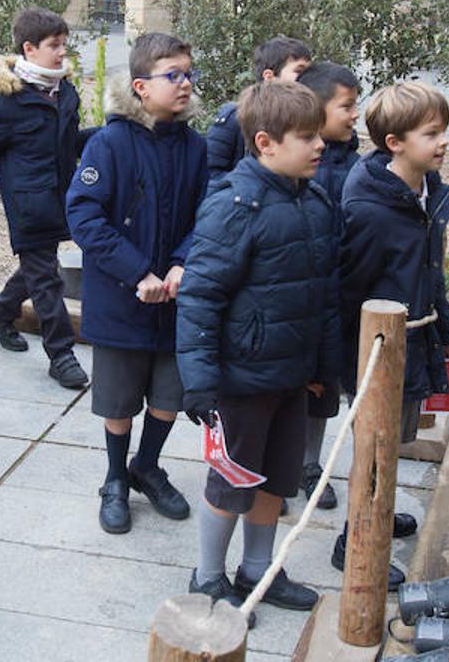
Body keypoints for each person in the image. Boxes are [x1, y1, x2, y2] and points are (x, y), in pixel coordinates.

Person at [177, 80, 340, 620]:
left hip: (291, 376)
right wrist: (199, 380)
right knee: (234, 480)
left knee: (277, 478)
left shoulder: (314, 200)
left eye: (320, 134)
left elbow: (321, 294)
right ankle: (207, 577)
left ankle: (259, 570)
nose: (320, 146)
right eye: (307, 137)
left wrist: (321, 367)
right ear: (266, 142)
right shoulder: (234, 206)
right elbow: (201, 297)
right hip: (240, 379)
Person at [66, 32, 208, 535]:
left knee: (169, 396)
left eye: (189, 73)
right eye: (174, 75)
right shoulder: (109, 143)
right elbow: (84, 217)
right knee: (119, 403)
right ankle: (114, 480)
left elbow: (206, 215)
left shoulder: (196, 148)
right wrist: (138, 273)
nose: (186, 84)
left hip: (174, 304)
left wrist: (181, 263)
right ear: (141, 86)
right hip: (122, 302)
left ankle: (146, 467)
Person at [331, 80, 449, 586]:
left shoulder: (425, 193)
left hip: (415, 338)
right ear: (395, 144)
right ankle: (355, 539)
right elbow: (348, 290)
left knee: (397, 439)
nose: (444, 141)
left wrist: (447, 333)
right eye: (432, 133)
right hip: (378, 351)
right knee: (376, 445)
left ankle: (379, 514)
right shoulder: (368, 209)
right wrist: (341, 361)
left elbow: (432, 273)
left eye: (443, 130)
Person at [0, 7, 89, 390]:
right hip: (28, 205)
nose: (61, 53)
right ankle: (62, 355)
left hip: (59, 197)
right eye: (54, 46)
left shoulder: (64, 91)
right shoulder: (8, 101)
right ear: (29, 48)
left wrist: (112, 136)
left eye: (63, 45)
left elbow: (69, 143)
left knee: (38, 270)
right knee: (47, 279)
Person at [288, 61, 361, 512]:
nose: (356, 115)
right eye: (346, 106)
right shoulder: (299, 167)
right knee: (292, 386)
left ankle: (310, 464)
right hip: (301, 298)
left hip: (338, 299)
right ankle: (277, 466)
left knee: (323, 390)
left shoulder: (358, 166)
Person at [205, 36, 312, 182]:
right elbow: (209, 175)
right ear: (269, 77)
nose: (308, 78)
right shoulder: (235, 117)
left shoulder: (308, 119)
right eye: (300, 71)